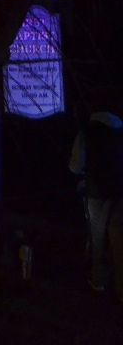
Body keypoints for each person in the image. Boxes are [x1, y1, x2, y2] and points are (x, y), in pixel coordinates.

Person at [70, 103, 123, 295]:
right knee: (119, 240)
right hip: (120, 192)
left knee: (98, 239)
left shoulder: (86, 133)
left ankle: (98, 280)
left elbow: (75, 166)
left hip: (96, 194)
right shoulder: (120, 130)